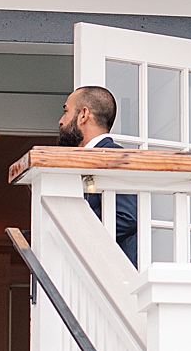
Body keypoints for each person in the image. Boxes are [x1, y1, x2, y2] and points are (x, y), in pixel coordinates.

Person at [58, 85, 138, 264]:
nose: (61, 121)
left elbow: (126, 218)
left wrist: (72, 229)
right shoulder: (85, 160)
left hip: (113, 271)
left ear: (83, 115)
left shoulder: (113, 156)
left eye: (66, 111)